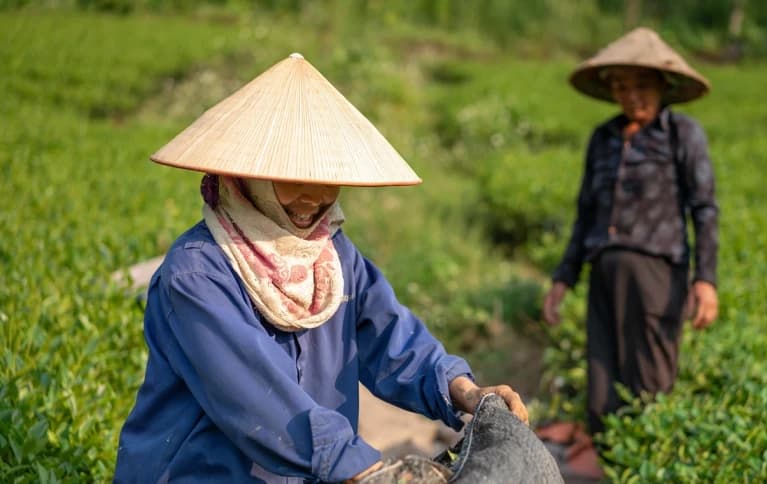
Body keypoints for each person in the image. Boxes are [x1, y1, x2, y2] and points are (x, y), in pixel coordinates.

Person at [115, 53, 527, 484]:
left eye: (326, 178)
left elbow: (392, 338)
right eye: (294, 178)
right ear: (248, 176)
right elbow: (257, 398)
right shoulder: (197, 274)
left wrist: (466, 392)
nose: (313, 198)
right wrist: (365, 469)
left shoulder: (334, 258)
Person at [542, 28, 720, 437]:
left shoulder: (681, 134)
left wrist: (705, 280)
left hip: (657, 273)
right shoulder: (603, 137)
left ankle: (649, 458)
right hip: (603, 272)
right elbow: (585, 212)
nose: (631, 95)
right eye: (621, 86)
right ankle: (608, 461)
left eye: (641, 85)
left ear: (663, 85)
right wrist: (562, 279)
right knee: (602, 378)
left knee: (650, 379)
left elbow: (704, 208)